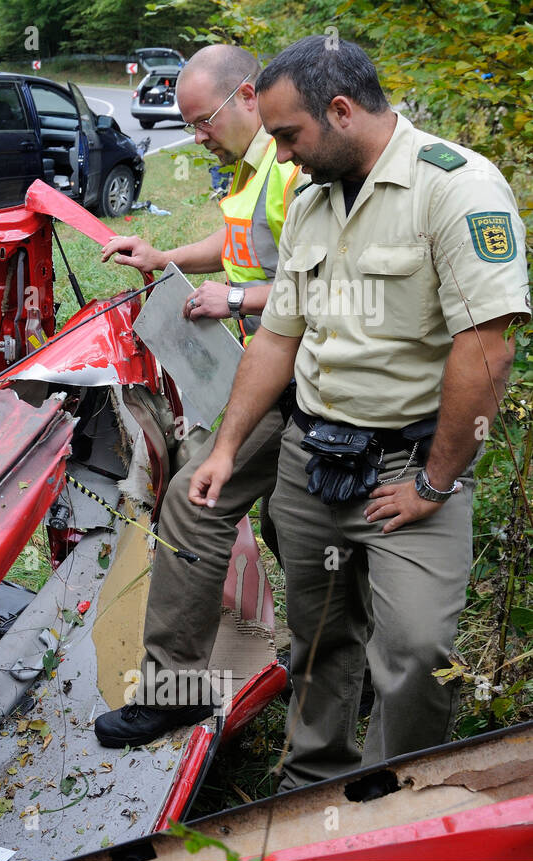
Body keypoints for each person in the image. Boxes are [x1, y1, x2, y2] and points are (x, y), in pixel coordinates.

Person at [189, 35, 526, 789]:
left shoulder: (456, 188)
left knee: (415, 650)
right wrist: (226, 446)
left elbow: (486, 352)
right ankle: (312, 784)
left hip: (410, 468)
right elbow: (278, 336)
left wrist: (434, 485)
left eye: (288, 136)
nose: (280, 158)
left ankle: (393, 795)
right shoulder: (310, 198)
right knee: (319, 639)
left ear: (341, 111)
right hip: (313, 463)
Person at [92, 45, 308, 747]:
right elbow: (239, 242)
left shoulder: (296, 167)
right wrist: (168, 259)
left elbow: (335, 283)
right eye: (188, 125)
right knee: (290, 523)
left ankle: (175, 689)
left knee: (193, 500)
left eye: (203, 119)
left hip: (301, 380)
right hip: (268, 375)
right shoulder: (257, 169)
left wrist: (238, 298)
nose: (196, 136)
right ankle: (339, 656)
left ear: (247, 95)